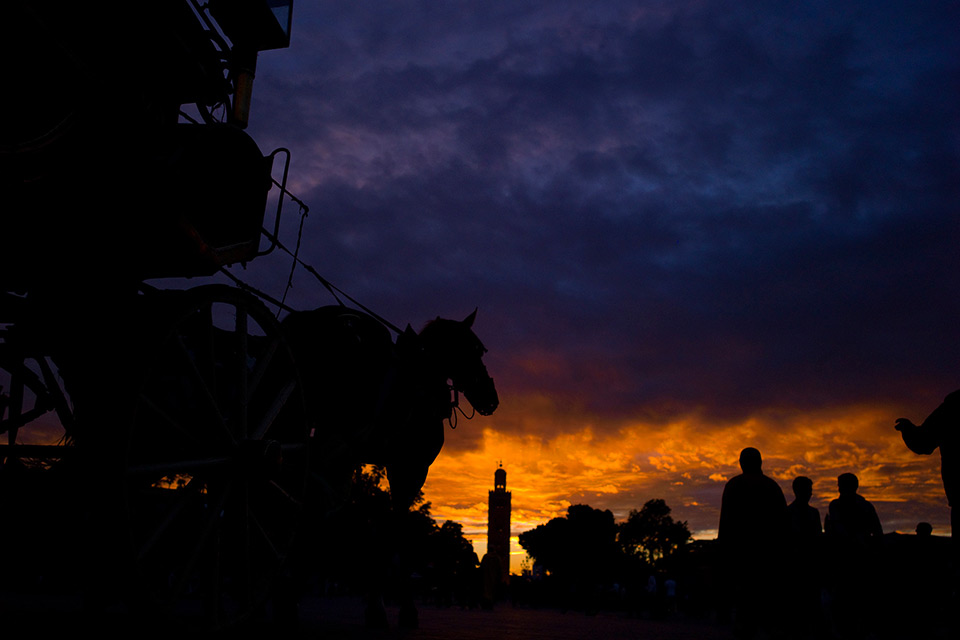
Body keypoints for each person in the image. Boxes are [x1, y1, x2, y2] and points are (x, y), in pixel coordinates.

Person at [718, 447, 788, 638]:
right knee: (767, 606)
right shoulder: (772, 486)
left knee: (745, 606)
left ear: (742, 463)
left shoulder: (734, 486)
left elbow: (726, 524)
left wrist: (724, 553)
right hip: (768, 556)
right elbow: (784, 525)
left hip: (743, 555)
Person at [895, 390, 958, 554]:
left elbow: (924, 441)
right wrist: (909, 430)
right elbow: (924, 441)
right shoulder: (952, 407)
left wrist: (909, 430)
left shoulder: (953, 407)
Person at [822, 473, 883, 639]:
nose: (839, 488)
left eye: (840, 485)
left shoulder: (837, 505)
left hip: (848, 559)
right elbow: (877, 533)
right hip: (857, 558)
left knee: (847, 602)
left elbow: (838, 530)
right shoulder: (866, 506)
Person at [785, 476, 823, 638]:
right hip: (797, 567)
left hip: (808, 566)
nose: (810, 493)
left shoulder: (812, 513)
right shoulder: (789, 513)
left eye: (810, 490)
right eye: (808, 490)